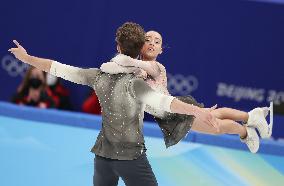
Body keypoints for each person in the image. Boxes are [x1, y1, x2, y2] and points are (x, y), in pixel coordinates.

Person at [9, 22, 219, 186]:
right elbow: (166, 103)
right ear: (140, 51)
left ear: (117, 47)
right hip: (131, 158)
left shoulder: (96, 76)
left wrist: (27, 58)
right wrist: (196, 111)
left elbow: (58, 68)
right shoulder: (136, 85)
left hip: (102, 157)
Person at [100, 30, 272, 153]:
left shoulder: (154, 67)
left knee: (216, 127)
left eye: (157, 41)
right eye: (148, 39)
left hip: (176, 113)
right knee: (216, 115)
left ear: (161, 50)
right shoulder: (134, 68)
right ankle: (251, 117)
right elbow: (109, 67)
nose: (152, 42)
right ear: (140, 45)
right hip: (172, 112)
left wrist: (125, 61)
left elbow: (136, 67)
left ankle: (246, 132)